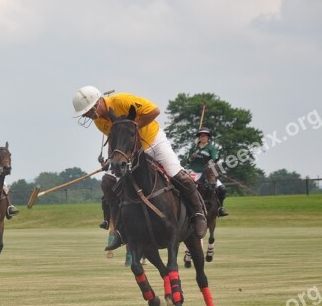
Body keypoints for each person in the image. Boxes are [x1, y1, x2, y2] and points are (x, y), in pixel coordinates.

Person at [72, 86, 208, 251]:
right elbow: (114, 140)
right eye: (85, 113)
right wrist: (111, 159)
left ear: (98, 102)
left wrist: (132, 126)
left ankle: (198, 214)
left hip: (153, 141)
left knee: (177, 175)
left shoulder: (121, 101)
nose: (87, 115)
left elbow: (154, 111)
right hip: (130, 153)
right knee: (108, 182)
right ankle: (119, 229)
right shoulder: (99, 121)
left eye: (88, 111)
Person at [187, 127, 228, 216]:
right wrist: (192, 157)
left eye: (205, 136)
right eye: (201, 136)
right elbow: (188, 161)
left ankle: (220, 208)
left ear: (208, 137)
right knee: (187, 186)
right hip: (194, 171)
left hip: (207, 172)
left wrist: (207, 160)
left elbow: (215, 159)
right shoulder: (193, 148)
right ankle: (186, 205)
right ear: (199, 137)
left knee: (222, 189)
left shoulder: (211, 148)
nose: (203, 137)